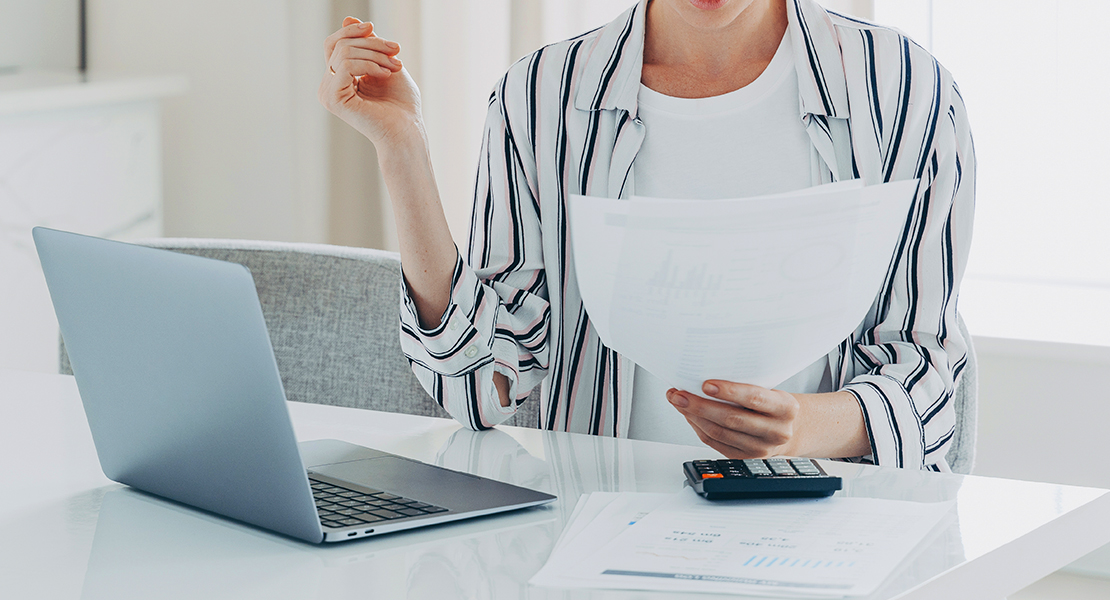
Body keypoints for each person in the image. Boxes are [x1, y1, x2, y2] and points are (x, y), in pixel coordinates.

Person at [318, 0, 975, 471]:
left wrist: (803, 428)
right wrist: (402, 148)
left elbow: (926, 376)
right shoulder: (539, 96)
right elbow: (479, 386)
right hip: (595, 536)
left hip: (825, 537)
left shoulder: (906, 91)